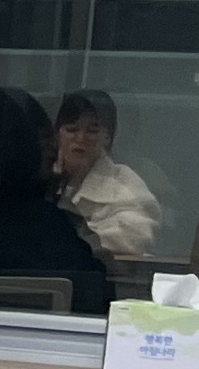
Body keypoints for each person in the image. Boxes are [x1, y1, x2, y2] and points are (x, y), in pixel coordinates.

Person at [0, 85, 115, 316]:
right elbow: (97, 297)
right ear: (27, 150)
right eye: (43, 139)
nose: (51, 150)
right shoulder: (46, 230)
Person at [54, 87, 166, 265]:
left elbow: (135, 235)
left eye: (92, 131)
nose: (81, 137)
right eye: (72, 129)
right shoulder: (43, 177)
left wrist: (75, 241)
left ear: (108, 137)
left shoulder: (123, 180)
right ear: (58, 133)